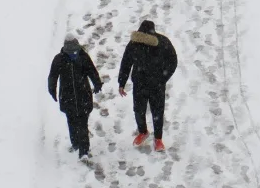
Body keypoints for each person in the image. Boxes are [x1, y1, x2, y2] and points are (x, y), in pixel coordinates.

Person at [117, 19, 178, 151]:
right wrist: (121, 82)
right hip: (140, 84)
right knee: (139, 110)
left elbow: (173, 60)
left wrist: (163, 77)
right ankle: (143, 132)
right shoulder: (134, 44)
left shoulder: (163, 42)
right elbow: (126, 62)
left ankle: (158, 139)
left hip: (157, 86)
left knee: (158, 112)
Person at [48, 34, 104, 157]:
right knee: (77, 123)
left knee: (77, 123)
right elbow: (53, 76)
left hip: (76, 97)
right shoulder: (65, 58)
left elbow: (91, 71)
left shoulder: (78, 57)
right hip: (76, 97)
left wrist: (97, 83)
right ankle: (78, 145)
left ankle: (82, 149)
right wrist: (97, 83)